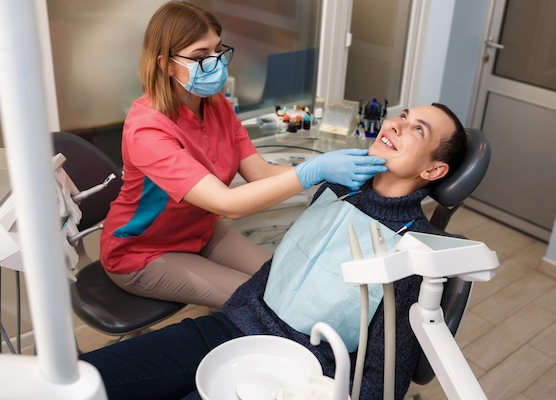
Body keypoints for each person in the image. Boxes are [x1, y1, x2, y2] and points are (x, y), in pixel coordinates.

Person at [81, 103, 467, 400]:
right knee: (83, 379)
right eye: (402, 116)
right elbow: (278, 270)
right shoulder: (336, 188)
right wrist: (236, 316)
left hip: (299, 369)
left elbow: (386, 377)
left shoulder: (414, 253)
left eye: (418, 129)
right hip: (231, 328)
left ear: (433, 172)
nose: (398, 124)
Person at [100, 0, 387, 307]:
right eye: (201, 56)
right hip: (142, 251)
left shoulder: (216, 106)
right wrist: (313, 171)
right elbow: (229, 204)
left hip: (200, 231)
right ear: (166, 65)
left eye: (218, 50)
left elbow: (260, 175)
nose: (216, 63)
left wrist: (325, 169)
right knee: (261, 300)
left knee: (288, 276)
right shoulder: (148, 129)